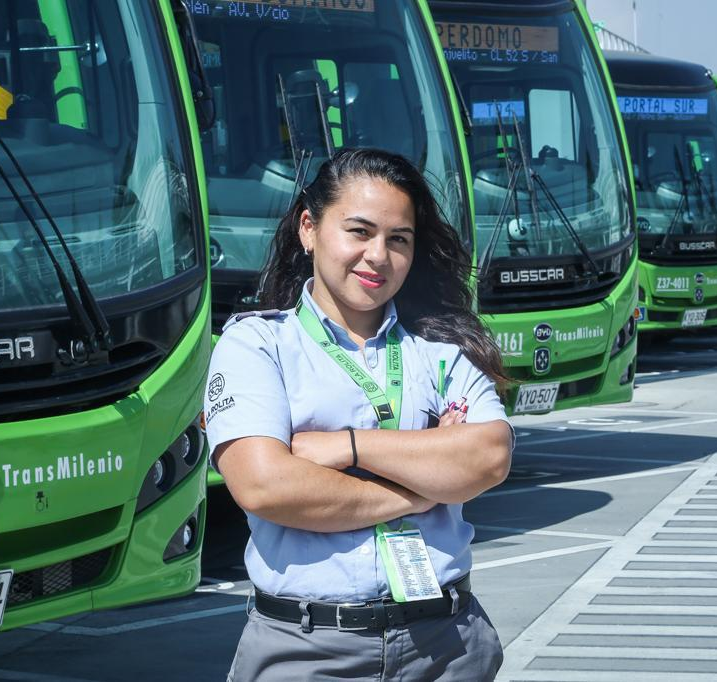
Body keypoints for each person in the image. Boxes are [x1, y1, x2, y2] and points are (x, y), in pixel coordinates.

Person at [205, 148, 513, 681]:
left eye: (398, 240)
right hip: (307, 649)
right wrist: (423, 488)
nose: (378, 256)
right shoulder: (259, 343)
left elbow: (488, 456)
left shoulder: (440, 347)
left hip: (447, 645)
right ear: (309, 228)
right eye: (359, 231)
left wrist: (348, 446)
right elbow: (266, 486)